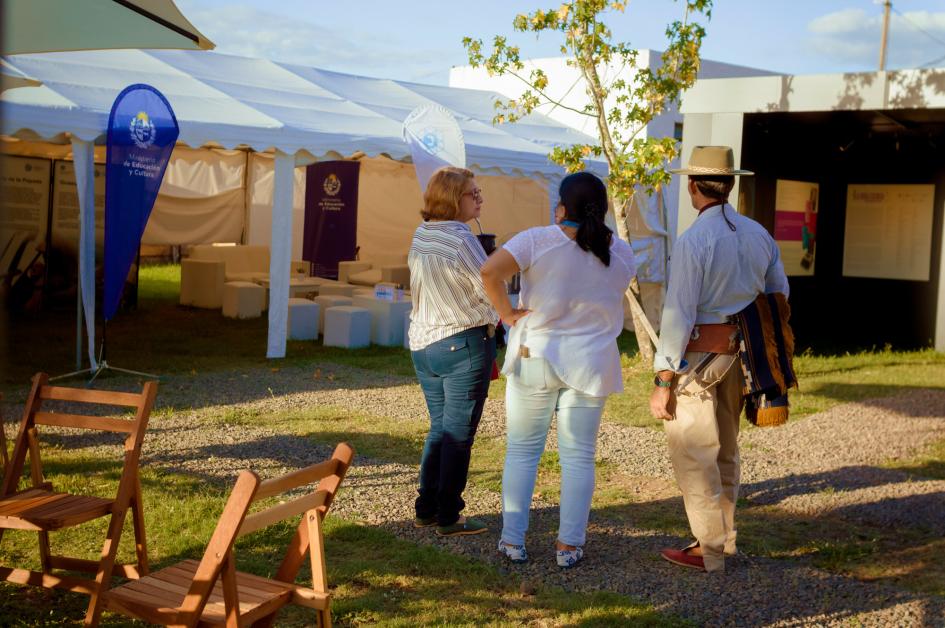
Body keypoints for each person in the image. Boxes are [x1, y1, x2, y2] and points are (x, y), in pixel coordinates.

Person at [480, 171, 637, 567]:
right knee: (579, 456)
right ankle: (570, 545)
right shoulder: (621, 252)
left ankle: (512, 541)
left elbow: (488, 272)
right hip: (592, 361)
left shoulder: (539, 238)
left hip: (538, 354)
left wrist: (506, 314)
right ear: (601, 211)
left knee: (522, 451)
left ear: (561, 208)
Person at [650, 146, 789, 573]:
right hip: (741, 357)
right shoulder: (757, 233)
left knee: (695, 453)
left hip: (699, 357)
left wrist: (663, 378)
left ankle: (708, 551)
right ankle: (721, 542)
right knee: (726, 452)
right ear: (728, 184)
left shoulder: (696, 239)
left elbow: (678, 312)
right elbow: (779, 295)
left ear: (692, 185)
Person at [408, 166, 498, 537]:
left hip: (424, 343)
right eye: (472, 194)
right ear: (452, 198)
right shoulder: (461, 237)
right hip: (462, 341)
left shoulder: (422, 232)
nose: (479, 199)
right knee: (458, 434)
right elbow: (487, 284)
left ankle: (426, 506)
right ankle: (449, 514)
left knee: (440, 430)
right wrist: (504, 313)